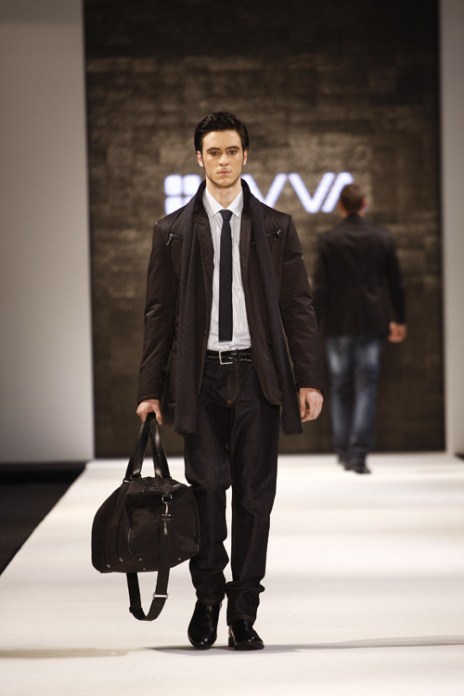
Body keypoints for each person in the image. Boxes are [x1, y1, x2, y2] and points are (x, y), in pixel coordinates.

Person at [136, 112, 325, 651]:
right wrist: (149, 389)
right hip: (199, 378)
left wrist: (308, 378)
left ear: (246, 155)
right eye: (214, 152)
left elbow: (298, 306)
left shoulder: (275, 226)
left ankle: (243, 611)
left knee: (254, 499)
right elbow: (158, 315)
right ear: (198, 158)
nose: (223, 161)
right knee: (206, 491)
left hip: (257, 375)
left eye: (232, 151)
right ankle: (207, 598)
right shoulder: (172, 231)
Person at [312, 182, 406, 475]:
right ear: (364, 204)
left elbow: (320, 289)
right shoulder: (381, 237)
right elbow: (396, 283)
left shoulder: (329, 240)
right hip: (372, 320)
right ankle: (358, 454)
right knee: (366, 385)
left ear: (341, 206)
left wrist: (311, 326)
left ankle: (343, 450)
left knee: (340, 387)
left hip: (338, 322)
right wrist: (399, 319)